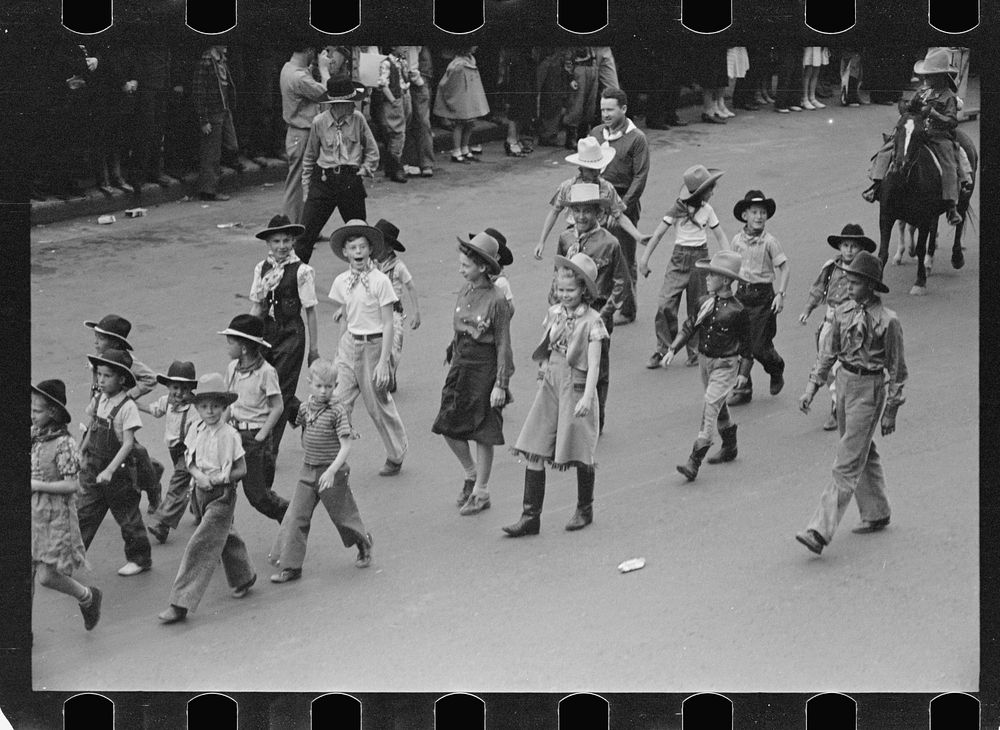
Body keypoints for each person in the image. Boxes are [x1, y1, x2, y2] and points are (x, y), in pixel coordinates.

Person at [794, 251, 907, 556]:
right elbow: (827, 354)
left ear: (870, 286)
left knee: (846, 460)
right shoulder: (842, 312)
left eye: (855, 282)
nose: (848, 285)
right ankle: (876, 511)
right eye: (848, 279)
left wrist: (890, 412)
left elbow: (898, 371)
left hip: (869, 389)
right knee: (860, 450)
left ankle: (819, 529)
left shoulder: (888, 322)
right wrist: (811, 388)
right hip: (844, 381)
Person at [504, 253, 608, 536]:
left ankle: (584, 508)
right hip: (551, 382)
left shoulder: (593, 321)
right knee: (535, 444)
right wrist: (543, 371)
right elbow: (545, 350)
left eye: (570, 290)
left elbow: (595, 364)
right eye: (560, 290)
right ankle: (530, 516)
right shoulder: (554, 314)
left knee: (579, 447)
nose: (564, 295)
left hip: (575, 384)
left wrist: (588, 397)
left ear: (584, 290)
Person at [157, 373, 257, 623]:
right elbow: (188, 460)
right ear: (197, 408)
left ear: (224, 407)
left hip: (222, 495)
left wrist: (221, 479)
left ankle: (180, 603)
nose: (210, 411)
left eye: (215, 406)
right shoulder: (195, 429)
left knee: (200, 544)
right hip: (200, 490)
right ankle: (244, 576)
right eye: (204, 406)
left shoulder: (230, 435)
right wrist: (197, 476)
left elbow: (241, 469)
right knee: (223, 534)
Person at [269, 359, 373, 583]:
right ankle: (291, 566)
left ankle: (362, 542)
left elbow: (345, 446)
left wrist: (332, 471)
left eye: (329, 386)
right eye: (319, 386)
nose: (324, 391)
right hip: (308, 469)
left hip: (331, 471)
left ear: (335, 385)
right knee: (296, 515)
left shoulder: (337, 411)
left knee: (342, 514)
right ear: (309, 384)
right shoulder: (306, 408)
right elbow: (302, 427)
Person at [432, 231, 514, 514]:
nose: (460, 269)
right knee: (447, 424)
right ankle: (470, 473)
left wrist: (500, 384)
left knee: (483, 431)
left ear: (482, 267)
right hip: (461, 365)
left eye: (465, 265)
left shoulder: (498, 299)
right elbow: (460, 326)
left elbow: (503, 343)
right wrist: (451, 349)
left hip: (485, 368)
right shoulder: (465, 289)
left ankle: (482, 490)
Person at [659, 251, 752, 481]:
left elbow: (748, 346)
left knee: (710, 404)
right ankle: (730, 446)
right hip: (705, 361)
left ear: (726, 281)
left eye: (712, 275)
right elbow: (690, 326)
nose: (708, 278)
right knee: (718, 404)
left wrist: (743, 373)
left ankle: (694, 461)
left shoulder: (738, 311)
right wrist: (672, 349)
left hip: (725, 364)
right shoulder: (704, 302)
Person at [328, 220, 409, 476]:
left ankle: (396, 454)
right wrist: (338, 353)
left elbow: (388, 323)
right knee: (337, 400)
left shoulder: (380, 281)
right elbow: (346, 318)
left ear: (370, 250)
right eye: (353, 247)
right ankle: (333, 455)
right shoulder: (342, 281)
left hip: (374, 346)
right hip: (350, 344)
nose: (359, 252)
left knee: (377, 405)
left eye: (363, 246)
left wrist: (385, 361)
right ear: (345, 252)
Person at [553, 183, 628, 435]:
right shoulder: (565, 238)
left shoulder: (610, 243)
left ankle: (597, 418)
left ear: (598, 213)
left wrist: (603, 314)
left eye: (587, 211)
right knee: (567, 364)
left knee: (598, 369)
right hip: (568, 316)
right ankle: (567, 413)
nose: (582, 216)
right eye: (577, 210)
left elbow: (621, 284)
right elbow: (558, 276)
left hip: (596, 315)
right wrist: (555, 308)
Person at [639, 165, 729, 370]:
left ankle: (695, 349)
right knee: (665, 303)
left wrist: (729, 260)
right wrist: (644, 260)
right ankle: (663, 347)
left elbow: (720, 235)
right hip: (679, 259)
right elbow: (658, 234)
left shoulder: (708, 210)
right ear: (700, 192)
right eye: (710, 189)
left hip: (700, 259)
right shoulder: (677, 209)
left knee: (698, 306)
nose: (713, 192)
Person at [31, 379, 102, 631]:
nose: (32, 415)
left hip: (54, 516)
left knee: (47, 577)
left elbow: (72, 485)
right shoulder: (35, 434)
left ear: (53, 412)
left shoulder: (65, 444)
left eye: (37, 411)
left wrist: (37, 485)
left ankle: (88, 597)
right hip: (32, 512)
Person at [248, 214, 320, 465]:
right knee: (264, 386)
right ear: (268, 243)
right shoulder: (262, 268)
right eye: (276, 241)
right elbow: (257, 306)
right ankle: (303, 414)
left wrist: (314, 348)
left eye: (286, 240)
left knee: (280, 390)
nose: (281, 246)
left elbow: (310, 310)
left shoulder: (302, 271)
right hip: (267, 334)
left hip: (291, 334)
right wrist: (247, 338)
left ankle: (270, 451)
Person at [77, 349, 153, 577]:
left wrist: (110, 470)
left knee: (128, 517)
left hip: (118, 472)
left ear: (121, 379)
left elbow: (128, 444)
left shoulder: (127, 406)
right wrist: (81, 452)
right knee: (85, 513)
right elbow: (92, 427)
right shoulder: (100, 399)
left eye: (107, 376)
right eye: (99, 375)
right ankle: (71, 557)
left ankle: (140, 559)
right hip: (93, 468)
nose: (101, 380)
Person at [797, 224, 878, 432]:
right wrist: (808, 308)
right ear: (839, 247)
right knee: (826, 362)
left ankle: (838, 407)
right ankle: (836, 399)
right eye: (845, 245)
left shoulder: (862, 271)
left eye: (854, 246)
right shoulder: (831, 267)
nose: (849, 250)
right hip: (831, 318)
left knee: (843, 366)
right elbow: (818, 289)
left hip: (852, 321)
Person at [85, 314, 163, 514]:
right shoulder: (99, 360)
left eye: (100, 338)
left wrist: (128, 395)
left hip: (120, 415)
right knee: (91, 451)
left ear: (115, 342)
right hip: (100, 414)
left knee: (135, 451)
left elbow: (151, 378)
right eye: (95, 336)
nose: (95, 342)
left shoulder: (126, 360)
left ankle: (154, 489)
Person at [295, 77, 379, 264]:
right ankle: (293, 281)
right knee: (305, 235)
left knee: (359, 235)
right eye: (349, 103)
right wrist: (307, 187)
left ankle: (367, 280)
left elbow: (373, 150)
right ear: (337, 104)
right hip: (324, 181)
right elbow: (309, 156)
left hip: (350, 181)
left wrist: (366, 169)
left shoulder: (358, 119)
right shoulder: (319, 122)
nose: (354, 106)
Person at [219, 314, 290, 523]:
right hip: (233, 434)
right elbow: (231, 403)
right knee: (222, 486)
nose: (227, 347)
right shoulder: (232, 368)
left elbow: (278, 407)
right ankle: (220, 530)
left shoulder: (266, 372)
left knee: (258, 496)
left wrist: (261, 436)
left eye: (230, 343)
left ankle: (289, 515)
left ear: (244, 347)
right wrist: (219, 427)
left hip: (254, 438)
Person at [590, 88, 650, 324]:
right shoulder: (596, 133)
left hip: (624, 201)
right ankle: (601, 302)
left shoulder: (637, 139)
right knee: (598, 254)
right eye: (602, 109)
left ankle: (627, 308)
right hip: (597, 202)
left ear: (623, 109)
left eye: (610, 109)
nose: (605, 114)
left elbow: (640, 176)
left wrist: (622, 207)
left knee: (624, 257)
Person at [534, 137, 646, 261]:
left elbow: (619, 215)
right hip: (574, 234)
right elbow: (554, 211)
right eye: (591, 170)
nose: (595, 173)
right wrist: (541, 241)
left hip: (600, 236)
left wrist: (638, 236)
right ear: (581, 169)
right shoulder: (567, 187)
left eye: (597, 169)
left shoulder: (607, 188)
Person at [727, 190, 789, 406]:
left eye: (763, 212)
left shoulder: (770, 242)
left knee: (758, 347)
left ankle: (776, 367)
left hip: (763, 298)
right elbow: (731, 266)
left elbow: (784, 267)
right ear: (745, 215)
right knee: (738, 344)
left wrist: (780, 294)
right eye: (754, 212)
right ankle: (744, 389)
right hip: (742, 295)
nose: (759, 216)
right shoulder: (737, 240)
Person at [140, 361, 201, 544]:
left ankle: (163, 525)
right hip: (174, 450)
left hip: (189, 450)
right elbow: (153, 410)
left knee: (177, 485)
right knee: (193, 482)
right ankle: (201, 511)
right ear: (168, 386)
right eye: (175, 387)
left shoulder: (194, 408)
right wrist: (131, 403)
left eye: (184, 388)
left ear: (191, 389)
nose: (179, 393)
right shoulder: (167, 401)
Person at [279, 44, 331, 222]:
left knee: (305, 182)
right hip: (302, 134)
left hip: (300, 133)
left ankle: (305, 227)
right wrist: (324, 70)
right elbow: (326, 94)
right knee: (297, 184)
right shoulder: (299, 77)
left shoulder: (289, 68)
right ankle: (292, 227)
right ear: (309, 51)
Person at [372, 219, 421, 393]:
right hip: (375, 310)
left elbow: (411, 286)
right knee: (376, 344)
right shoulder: (372, 264)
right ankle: (379, 373)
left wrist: (416, 312)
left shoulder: (398, 267)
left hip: (393, 312)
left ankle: (391, 374)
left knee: (394, 347)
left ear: (389, 247)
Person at [192, 45, 240, 202]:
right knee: (211, 153)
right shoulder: (206, 62)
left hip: (224, 110)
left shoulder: (221, 60)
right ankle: (208, 190)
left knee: (231, 145)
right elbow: (199, 92)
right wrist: (203, 120)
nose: (226, 46)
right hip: (213, 112)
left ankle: (213, 179)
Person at [433, 47, 490, 163]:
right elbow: (448, 83)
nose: (477, 46)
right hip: (461, 98)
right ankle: (456, 151)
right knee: (459, 124)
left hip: (469, 98)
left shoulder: (471, 60)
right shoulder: (457, 65)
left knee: (470, 124)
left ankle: (465, 148)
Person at [374, 46, 411, 183]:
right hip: (395, 99)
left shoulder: (402, 62)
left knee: (401, 131)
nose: (406, 48)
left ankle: (391, 167)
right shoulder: (387, 63)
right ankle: (395, 168)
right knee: (397, 133)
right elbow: (383, 84)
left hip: (404, 97)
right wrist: (393, 100)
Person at [401, 46, 435, 177]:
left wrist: (420, 82)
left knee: (422, 121)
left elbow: (413, 68)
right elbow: (411, 68)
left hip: (418, 81)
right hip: (410, 80)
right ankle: (412, 161)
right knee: (409, 121)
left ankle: (425, 162)